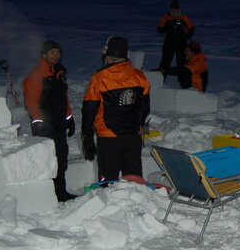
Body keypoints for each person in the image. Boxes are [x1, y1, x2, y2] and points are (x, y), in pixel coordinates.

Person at [81, 36, 151, 182]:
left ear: (107, 57)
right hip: (133, 137)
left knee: (108, 182)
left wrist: (87, 137)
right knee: (133, 181)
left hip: (108, 138)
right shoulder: (139, 76)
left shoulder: (99, 78)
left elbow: (89, 110)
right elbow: (145, 108)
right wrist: (137, 125)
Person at [22, 40, 77, 202]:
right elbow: (31, 102)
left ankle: (60, 193)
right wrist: (39, 123)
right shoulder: (36, 75)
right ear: (44, 54)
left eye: (58, 52)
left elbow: (64, 100)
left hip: (59, 125)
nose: (57, 55)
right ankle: (48, 195)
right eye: (53, 52)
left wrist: (69, 119)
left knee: (61, 159)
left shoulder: (59, 73)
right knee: (48, 160)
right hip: (45, 127)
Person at [156, 0, 195, 72]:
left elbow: (191, 27)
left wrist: (187, 37)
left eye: (175, 10)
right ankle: (160, 78)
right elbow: (159, 28)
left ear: (178, 9)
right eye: (172, 9)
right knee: (165, 60)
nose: (174, 11)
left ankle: (183, 80)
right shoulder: (166, 17)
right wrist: (166, 28)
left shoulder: (183, 17)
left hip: (181, 42)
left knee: (182, 61)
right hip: (169, 42)